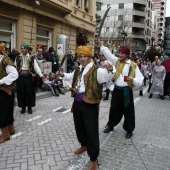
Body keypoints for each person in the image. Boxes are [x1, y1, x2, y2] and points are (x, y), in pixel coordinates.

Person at [57, 45, 116, 170]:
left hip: (90, 104)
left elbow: (108, 75)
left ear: (90, 57)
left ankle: (93, 159)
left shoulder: (97, 70)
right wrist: (63, 75)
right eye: (80, 56)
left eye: (85, 56)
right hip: (77, 102)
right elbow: (71, 76)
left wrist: (109, 67)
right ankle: (84, 145)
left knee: (91, 131)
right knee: (79, 127)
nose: (82, 59)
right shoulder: (78, 69)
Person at [96, 38, 144, 139]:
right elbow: (108, 54)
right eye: (119, 53)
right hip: (117, 91)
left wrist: (133, 79)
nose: (120, 55)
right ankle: (111, 125)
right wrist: (101, 45)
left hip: (127, 92)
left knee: (128, 111)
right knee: (113, 109)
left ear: (127, 54)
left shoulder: (133, 65)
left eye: (122, 53)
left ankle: (129, 129)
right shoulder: (117, 61)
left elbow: (141, 79)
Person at [15, 42, 45, 114]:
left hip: (29, 77)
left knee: (29, 92)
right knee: (21, 92)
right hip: (20, 77)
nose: (22, 50)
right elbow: (14, 67)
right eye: (21, 48)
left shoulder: (32, 58)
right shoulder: (18, 58)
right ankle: (22, 107)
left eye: (24, 48)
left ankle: (29, 107)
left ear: (27, 49)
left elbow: (36, 67)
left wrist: (41, 75)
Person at [0, 43, 18, 144]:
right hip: (5, 89)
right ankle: (11, 130)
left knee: (2, 112)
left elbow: (14, 74)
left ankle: (5, 134)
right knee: (7, 110)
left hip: (5, 89)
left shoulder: (5, 60)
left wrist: (1, 81)